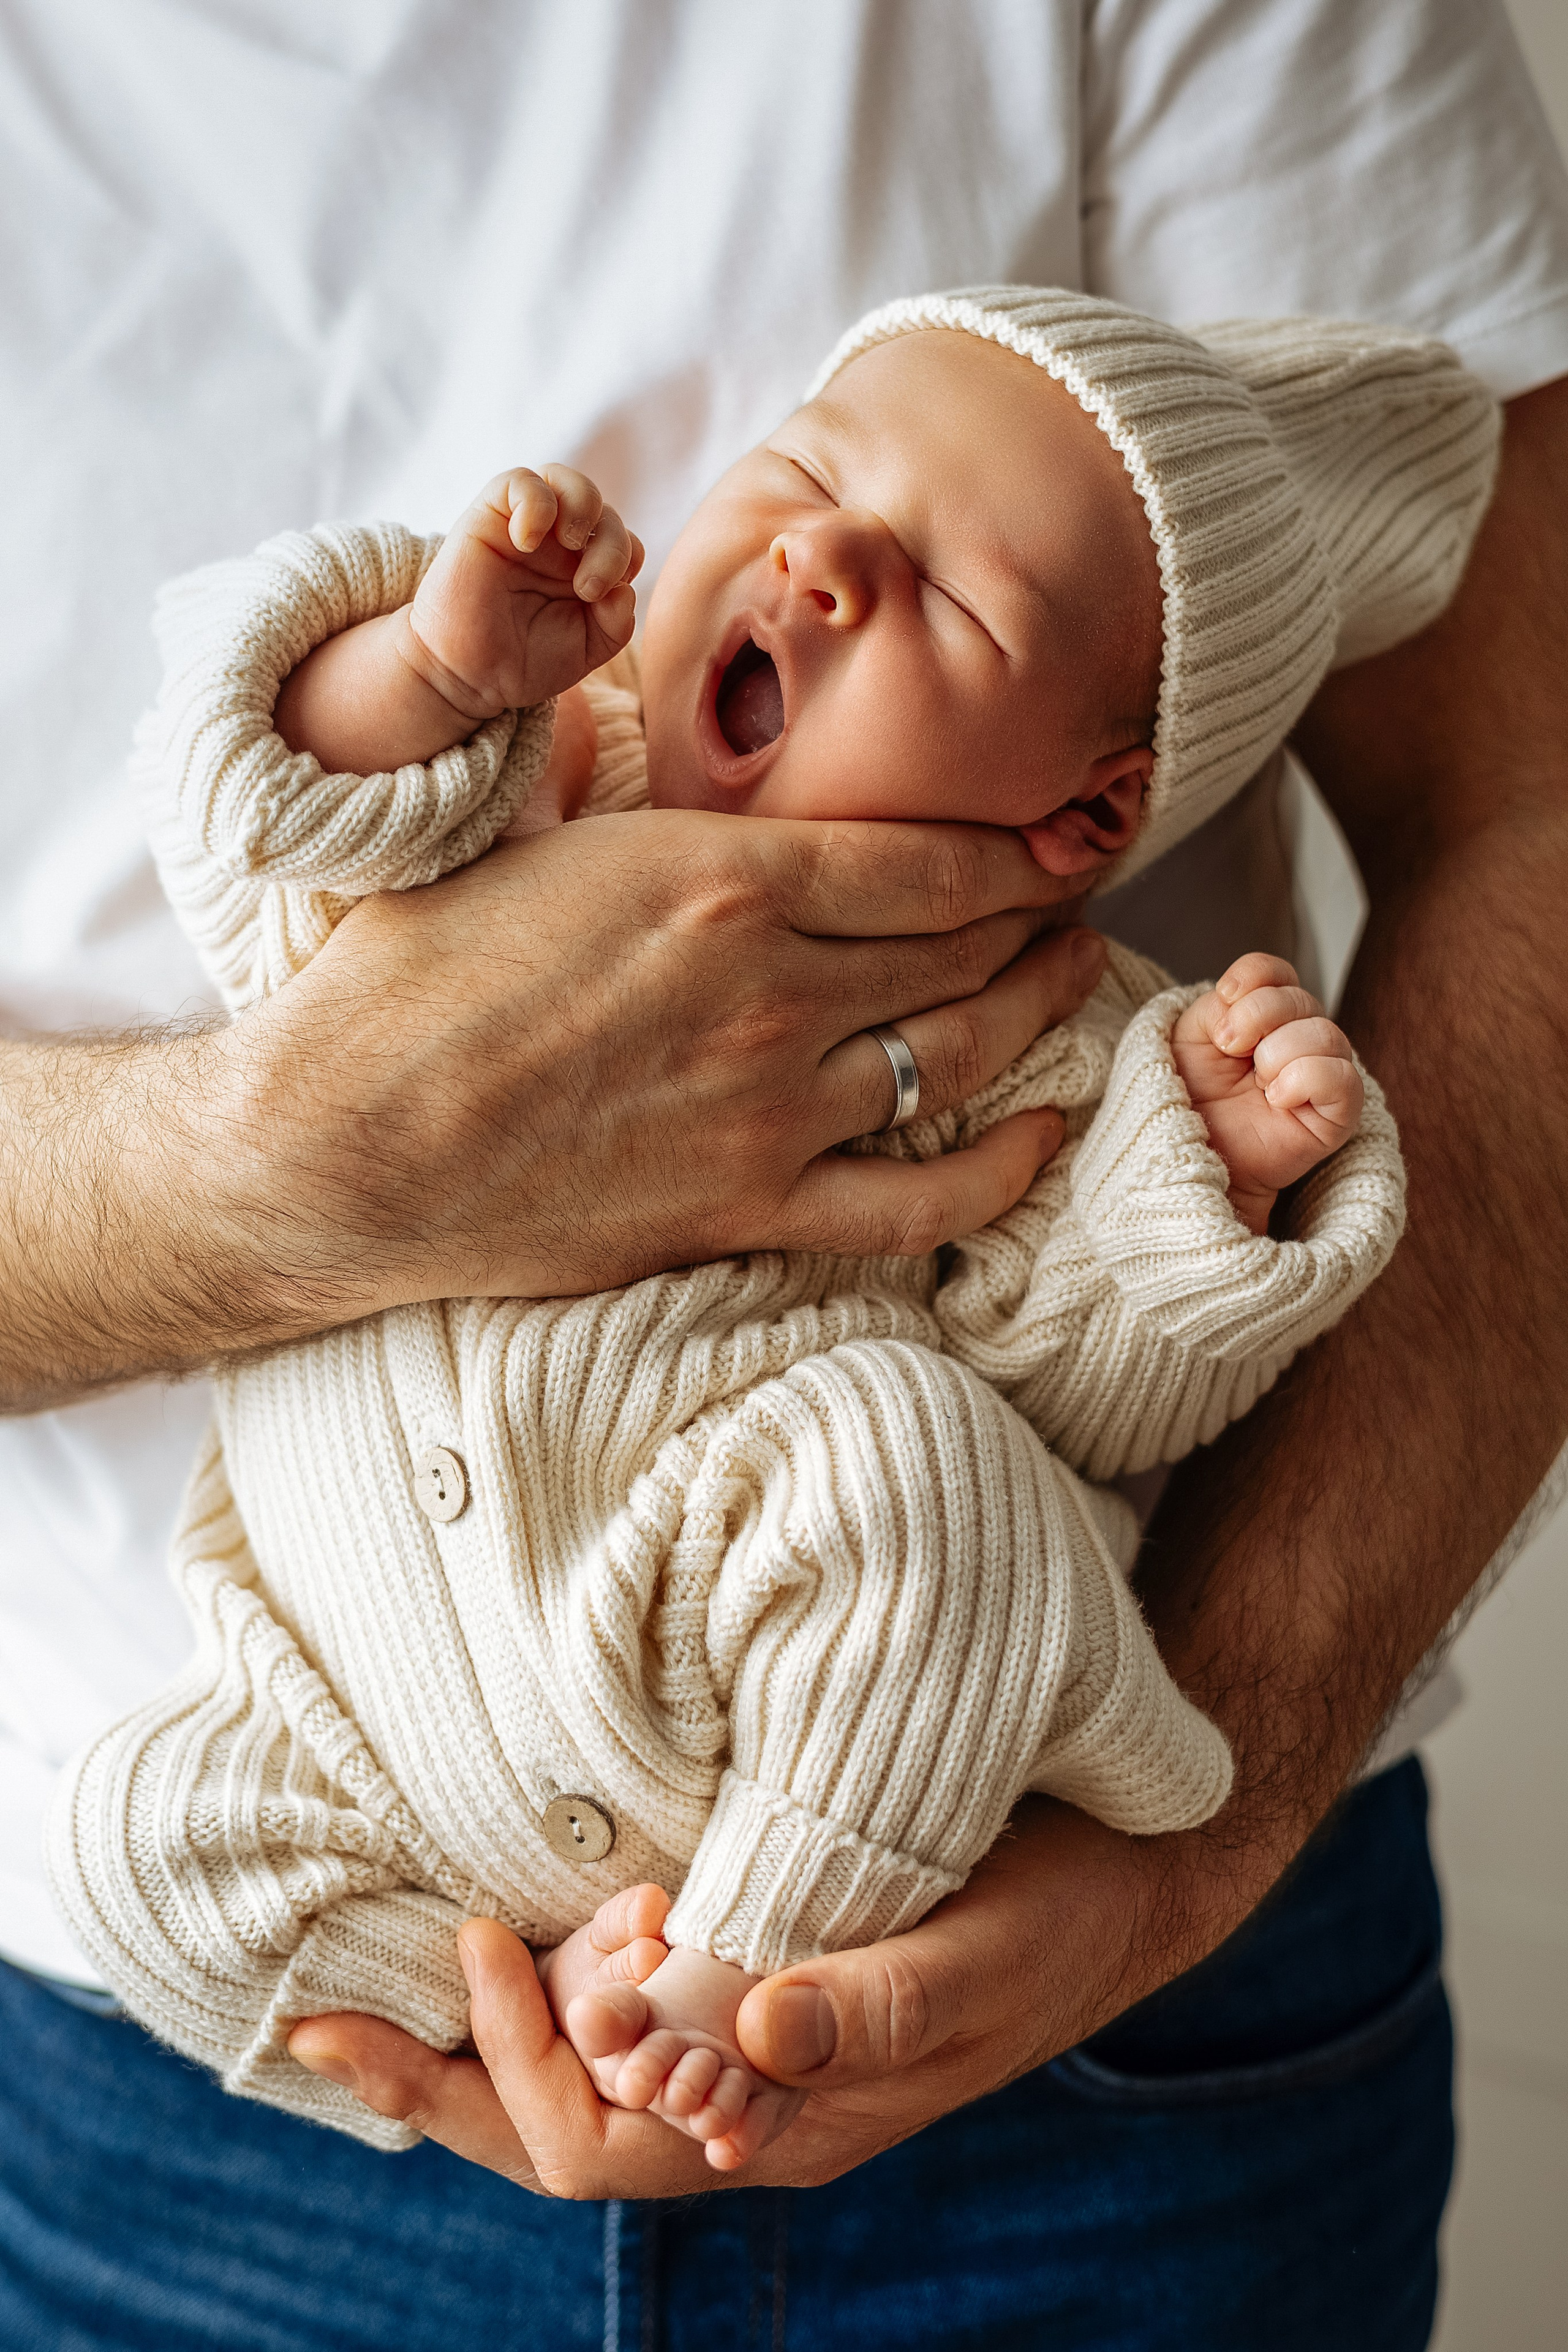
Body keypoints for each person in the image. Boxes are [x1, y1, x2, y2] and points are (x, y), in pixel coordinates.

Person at [3, 6, 1567, 2346]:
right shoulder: (532, 767)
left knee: (920, 1473)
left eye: (949, 599)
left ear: (1080, 822)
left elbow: (1085, 1355)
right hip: (277, 1823)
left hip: (1045, 1980)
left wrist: (1214, 1178)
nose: (829, 557)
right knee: (144, 1835)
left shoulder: (1056, 1013)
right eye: (815, 462)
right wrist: (428, 670)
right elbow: (264, 822)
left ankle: (740, 1964)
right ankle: (407, 2026)